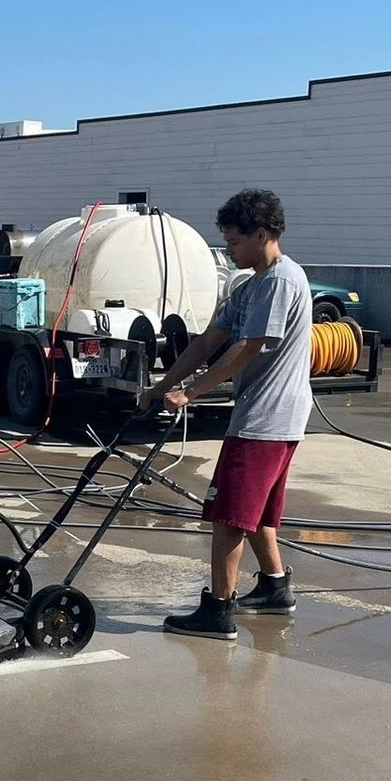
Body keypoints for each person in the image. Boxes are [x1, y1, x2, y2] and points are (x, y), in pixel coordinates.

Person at [142, 188, 312, 641]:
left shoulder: (281, 280)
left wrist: (192, 392)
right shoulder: (250, 283)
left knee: (229, 515)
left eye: (235, 242)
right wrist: (160, 386)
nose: (229, 249)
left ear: (261, 234)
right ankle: (275, 589)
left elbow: (249, 346)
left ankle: (218, 611)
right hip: (266, 416)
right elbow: (206, 342)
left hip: (267, 419)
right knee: (254, 513)